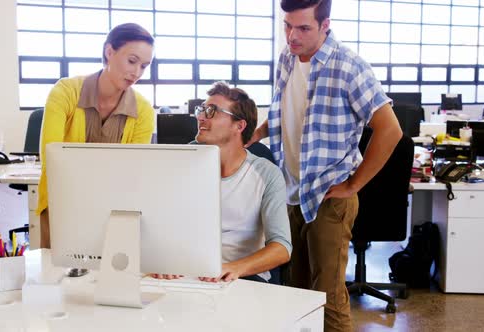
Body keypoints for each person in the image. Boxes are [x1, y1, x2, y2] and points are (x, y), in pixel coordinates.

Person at [246, 1, 402, 331]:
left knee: (328, 299)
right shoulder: (287, 58)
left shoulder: (349, 67)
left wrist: (353, 185)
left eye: (303, 28)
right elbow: (283, 110)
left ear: (325, 25)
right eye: (287, 25)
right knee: (299, 296)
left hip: (330, 196)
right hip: (293, 191)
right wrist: (257, 132)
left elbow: (391, 130)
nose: (291, 36)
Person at [153, 82, 292, 283]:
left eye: (212, 111)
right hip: (186, 271)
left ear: (239, 125)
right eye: (202, 110)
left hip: (241, 276)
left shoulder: (267, 174)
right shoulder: (182, 162)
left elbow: (281, 247)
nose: (200, 117)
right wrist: (163, 259)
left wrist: (232, 268)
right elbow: (159, 224)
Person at [36, 23, 155, 248]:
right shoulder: (66, 92)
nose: (137, 73)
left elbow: (133, 169)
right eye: (132, 61)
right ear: (109, 52)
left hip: (115, 210)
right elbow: (52, 156)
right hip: (62, 202)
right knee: (58, 277)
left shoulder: (143, 110)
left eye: (144, 66)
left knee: (109, 278)